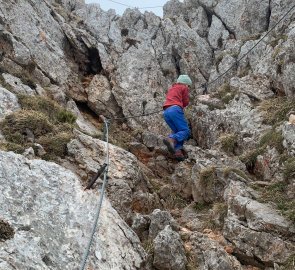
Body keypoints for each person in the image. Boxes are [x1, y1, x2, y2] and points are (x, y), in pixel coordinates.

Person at [163, 75, 192, 161]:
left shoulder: (172, 88)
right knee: (185, 131)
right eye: (189, 86)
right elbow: (185, 102)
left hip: (166, 112)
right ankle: (171, 138)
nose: (189, 88)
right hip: (175, 110)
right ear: (186, 84)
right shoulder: (184, 88)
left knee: (178, 132)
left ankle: (177, 152)